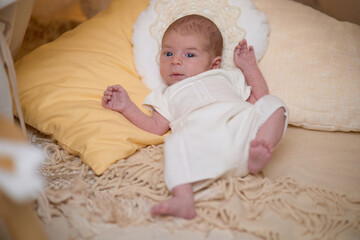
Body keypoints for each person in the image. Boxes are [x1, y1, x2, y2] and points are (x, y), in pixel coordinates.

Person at [102, 14, 288, 220]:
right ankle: (183, 199)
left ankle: (258, 152)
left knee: (275, 104)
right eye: (168, 53)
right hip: (203, 144)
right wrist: (126, 107)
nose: (176, 61)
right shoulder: (165, 94)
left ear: (214, 64)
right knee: (174, 142)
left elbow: (259, 98)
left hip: (241, 133)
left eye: (189, 55)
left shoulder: (227, 77)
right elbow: (156, 126)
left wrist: (249, 67)